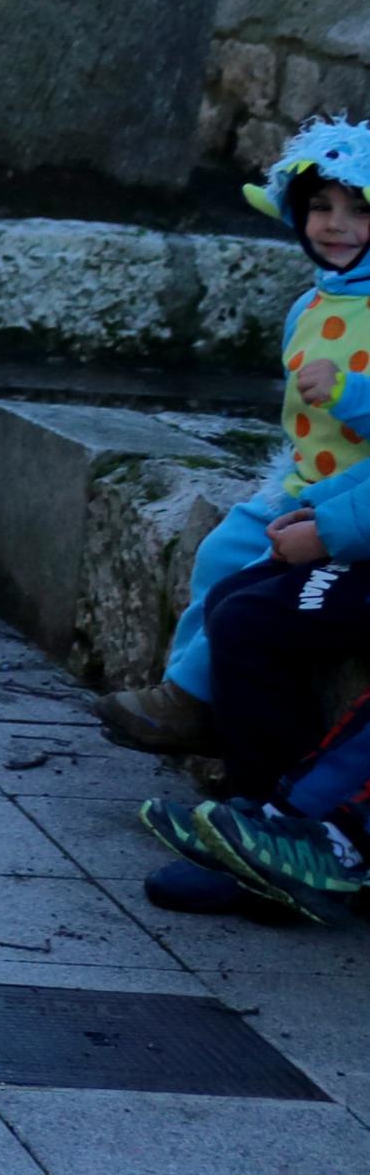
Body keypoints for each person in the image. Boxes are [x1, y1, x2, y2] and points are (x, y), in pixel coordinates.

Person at [103, 119, 370, 767]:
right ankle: (185, 694)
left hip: (354, 486)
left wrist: (349, 391)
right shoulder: (307, 303)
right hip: (302, 478)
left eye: (359, 211)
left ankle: (189, 702)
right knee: (222, 550)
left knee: (252, 587)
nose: (335, 225)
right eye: (319, 208)